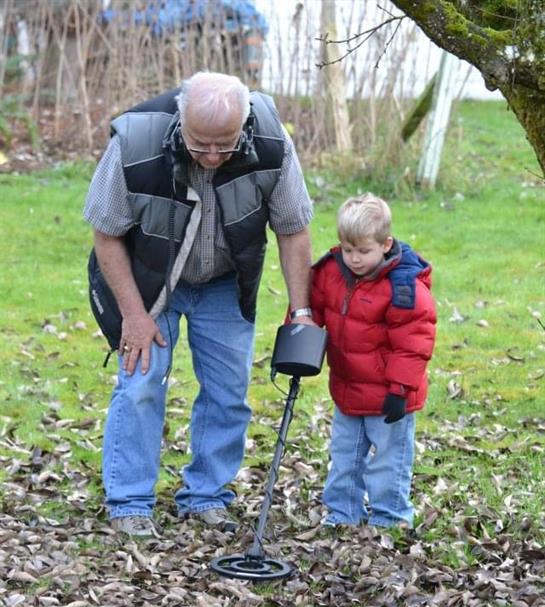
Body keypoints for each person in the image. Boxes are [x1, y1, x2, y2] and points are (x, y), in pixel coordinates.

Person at [84, 71, 314, 537]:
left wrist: (301, 311)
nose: (212, 157)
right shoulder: (136, 139)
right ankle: (129, 500)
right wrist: (133, 315)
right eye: (199, 144)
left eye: (225, 146)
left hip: (224, 282)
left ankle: (206, 495)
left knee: (229, 393)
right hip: (149, 282)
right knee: (142, 383)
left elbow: (292, 227)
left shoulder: (270, 142)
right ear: (179, 122)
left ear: (244, 126)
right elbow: (106, 233)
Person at [310, 193, 436, 530]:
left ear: (385, 244)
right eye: (348, 249)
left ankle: (390, 518)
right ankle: (343, 513)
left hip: (389, 396)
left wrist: (400, 389)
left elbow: (414, 343)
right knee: (344, 456)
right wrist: (298, 350)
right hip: (348, 388)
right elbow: (310, 311)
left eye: (363, 251)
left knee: (389, 460)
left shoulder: (404, 287)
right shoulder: (330, 272)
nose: (353, 259)